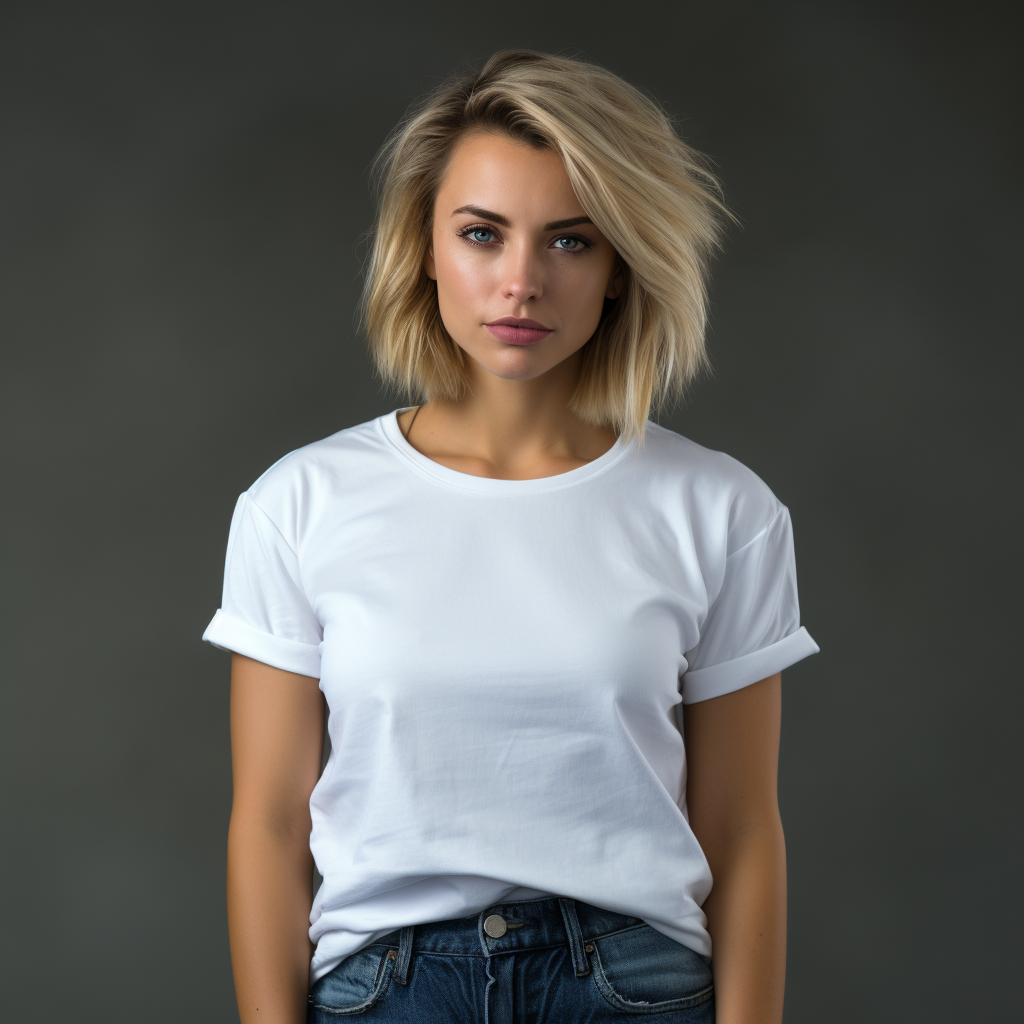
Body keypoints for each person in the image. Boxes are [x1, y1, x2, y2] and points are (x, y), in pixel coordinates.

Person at [202, 48, 820, 1024]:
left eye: (570, 241)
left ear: (620, 265)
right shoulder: (299, 504)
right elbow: (268, 827)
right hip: (385, 992)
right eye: (483, 234)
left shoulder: (721, 511)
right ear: (427, 248)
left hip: (635, 987)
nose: (521, 280)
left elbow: (742, 830)